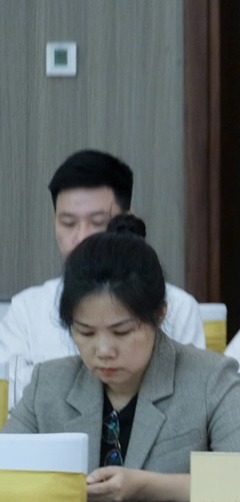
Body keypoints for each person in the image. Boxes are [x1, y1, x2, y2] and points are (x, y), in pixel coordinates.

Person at [2, 215, 240, 502]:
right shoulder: (48, 385)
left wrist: (148, 487)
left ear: (159, 314)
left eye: (121, 332)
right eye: (85, 332)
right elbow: (6, 475)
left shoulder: (210, 379)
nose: (103, 350)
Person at [0, 149, 206, 412]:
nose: (81, 237)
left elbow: (189, 400)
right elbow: (11, 399)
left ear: (127, 221)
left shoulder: (179, 306)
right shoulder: (26, 309)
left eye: (97, 222)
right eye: (68, 223)